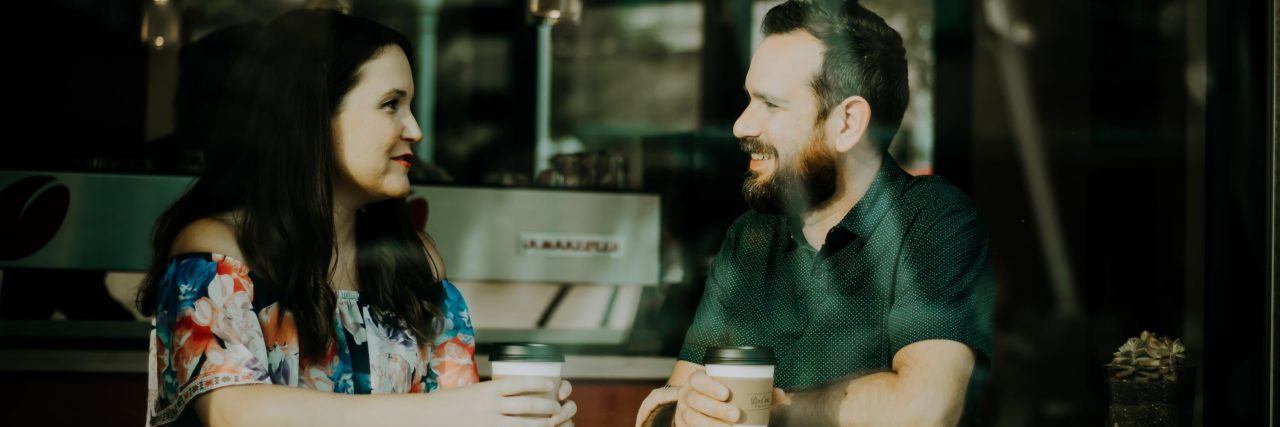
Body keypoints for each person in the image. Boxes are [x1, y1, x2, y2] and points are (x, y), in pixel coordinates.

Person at [136, 9, 576, 427]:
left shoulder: (413, 262)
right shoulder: (217, 254)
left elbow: (457, 412)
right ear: (313, 117)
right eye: (391, 104)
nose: (415, 129)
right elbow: (236, 413)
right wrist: (457, 409)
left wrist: (515, 415)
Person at [635, 1, 995, 426]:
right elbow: (673, 402)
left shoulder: (933, 221)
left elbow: (924, 411)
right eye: (749, 99)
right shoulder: (751, 238)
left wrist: (770, 411)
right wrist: (685, 415)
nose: (741, 125)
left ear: (846, 124)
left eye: (771, 104)